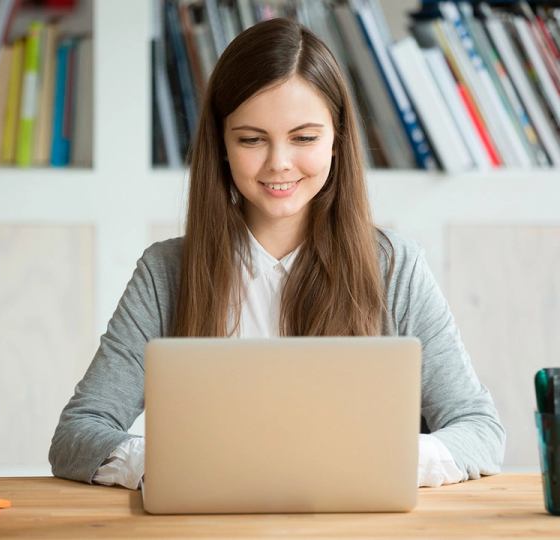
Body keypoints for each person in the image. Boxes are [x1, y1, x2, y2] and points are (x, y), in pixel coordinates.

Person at [48, 18, 505, 490]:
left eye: (304, 138)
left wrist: (382, 462)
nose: (278, 163)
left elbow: (480, 431)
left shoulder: (394, 265)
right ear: (221, 145)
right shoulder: (166, 272)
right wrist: (175, 462)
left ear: (337, 139)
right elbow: (76, 435)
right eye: (251, 139)